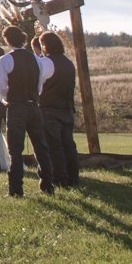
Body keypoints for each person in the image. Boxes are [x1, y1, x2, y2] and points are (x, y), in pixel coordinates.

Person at [0, 26, 57, 198]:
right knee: (41, 147)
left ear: (7, 40)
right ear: (22, 39)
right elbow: (40, 84)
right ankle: (47, 185)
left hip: (16, 107)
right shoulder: (36, 60)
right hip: (34, 106)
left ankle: (16, 189)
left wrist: (8, 100)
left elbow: (1, 86)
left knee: (15, 150)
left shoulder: (6, 60)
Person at [39, 32, 81, 189]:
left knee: (54, 146)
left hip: (49, 109)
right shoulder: (68, 63)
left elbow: (38, 85)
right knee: (69, 145)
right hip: (67, 108)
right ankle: (73, 177)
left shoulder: (46, 62)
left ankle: (60, 178)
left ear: (45, 46)